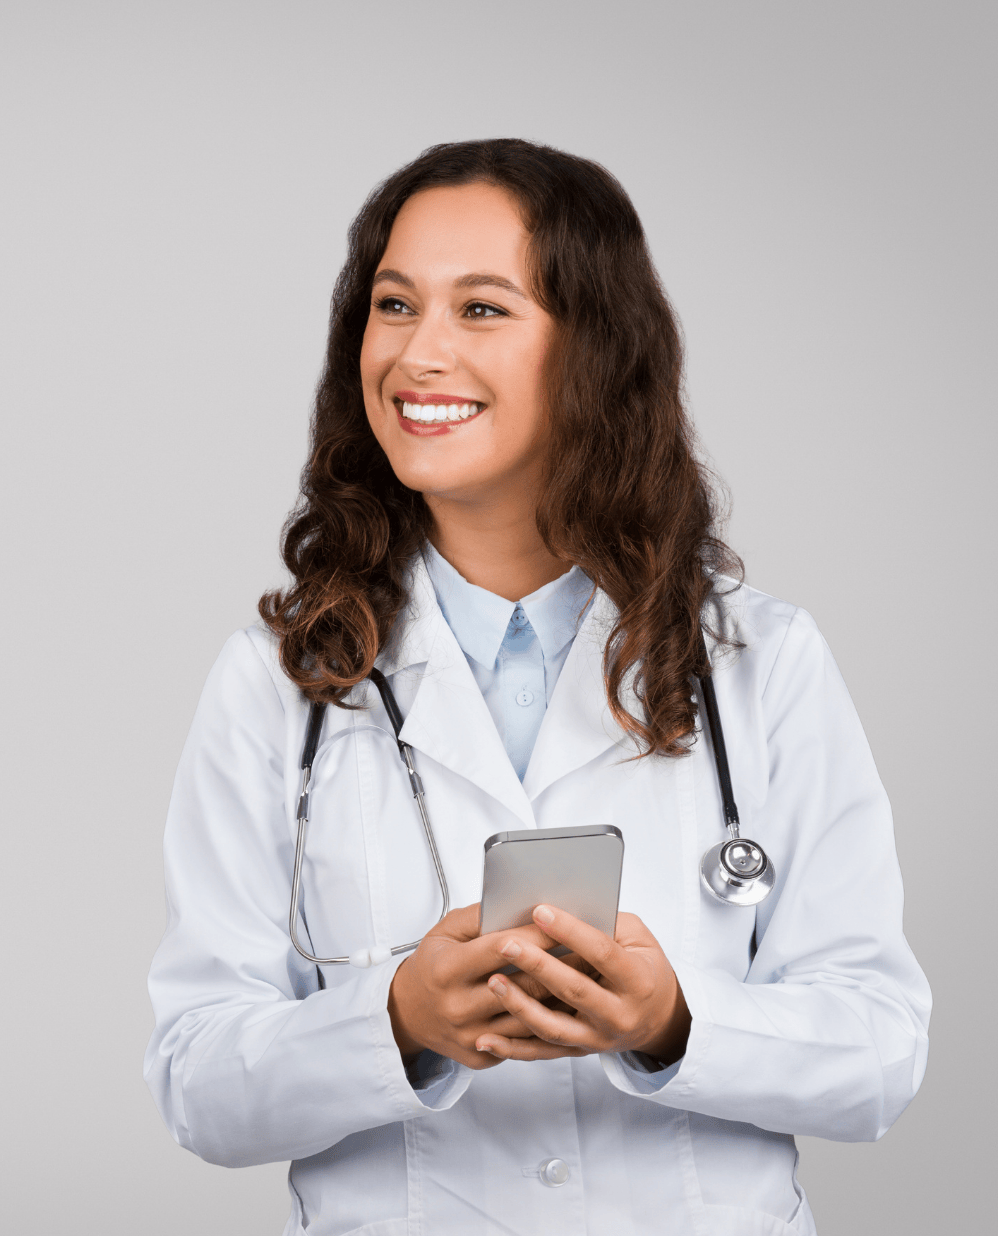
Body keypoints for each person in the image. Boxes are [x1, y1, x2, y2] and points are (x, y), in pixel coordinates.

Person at [143, 139, 929, 1235]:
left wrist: (675, 1022)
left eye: (481, 309)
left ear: (594, 349)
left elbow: (880, 1054)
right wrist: (397, 1021)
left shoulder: (762, 662)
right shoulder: (281, 682)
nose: (418, 353)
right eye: (394, 304)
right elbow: (198, 1081)